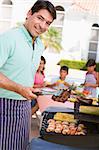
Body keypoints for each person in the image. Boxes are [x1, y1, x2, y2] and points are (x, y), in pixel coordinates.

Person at [0, 1, 56, 150]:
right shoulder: (9, 37)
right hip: (3, 105)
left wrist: (33, 89)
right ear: (29, 13)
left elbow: (22, 75)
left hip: (24, 107)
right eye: (40, 18)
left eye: (48, 23)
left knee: (21, 146)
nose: (43, 26)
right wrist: (19, 89)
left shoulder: (39, 45)